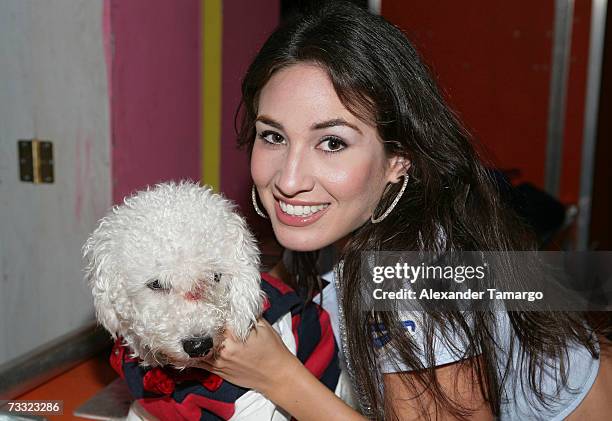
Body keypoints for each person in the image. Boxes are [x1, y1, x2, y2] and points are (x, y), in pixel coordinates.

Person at [197, 2, 612, 420]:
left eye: (333, 143)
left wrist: (277, 376)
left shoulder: (413, 273)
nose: (289, 180)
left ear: (399, 159)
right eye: (273, 136)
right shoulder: (337, 222)